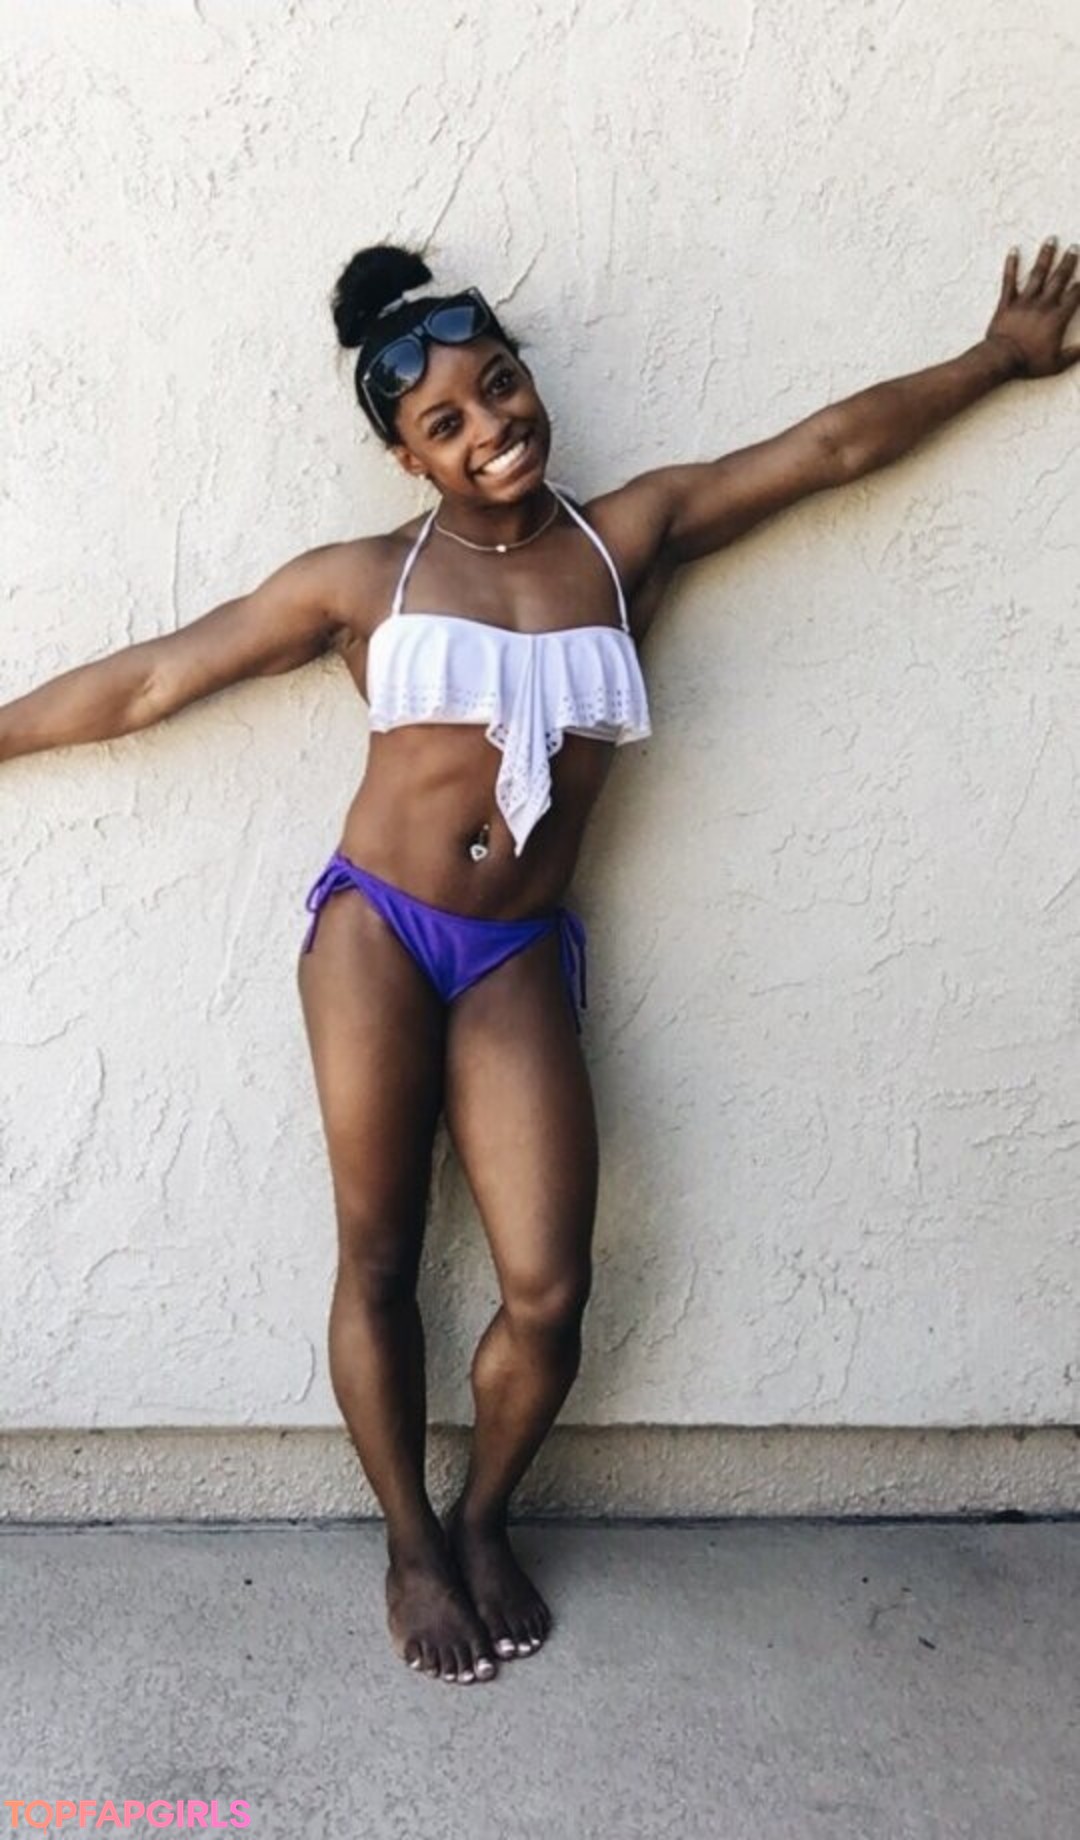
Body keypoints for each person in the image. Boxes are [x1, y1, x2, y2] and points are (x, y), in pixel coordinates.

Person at [3, 236, 1077, 1688]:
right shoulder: (363, 581)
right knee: (380, 1253)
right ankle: (408, 1544)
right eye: (444, 420)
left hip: (514, 950)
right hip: (381, 931)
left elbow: (825, 450)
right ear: (407, 456)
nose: (490, 426)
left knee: (549, 1288)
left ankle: (483, 1515)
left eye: (500, 385)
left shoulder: (628, 539)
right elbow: (149, 679)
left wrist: (996, 359)